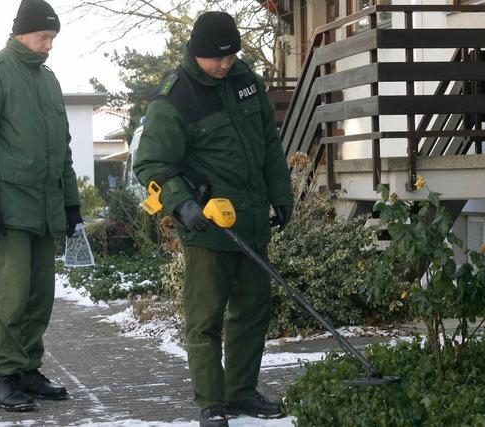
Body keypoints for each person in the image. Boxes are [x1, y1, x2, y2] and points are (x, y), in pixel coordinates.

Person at [133, 11, 294, 427]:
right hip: (207, 226)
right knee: (205, 318)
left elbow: (269, 146)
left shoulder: (246, 82)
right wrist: (180, 204)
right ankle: (211, 401)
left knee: (253, 309)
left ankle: (241, 392)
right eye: (214, 58)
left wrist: (281, 196)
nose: (223, 65)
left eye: (229, 55)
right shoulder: (176, 97)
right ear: (195, 52)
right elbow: (151, 162)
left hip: (252, 221)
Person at [0, 0, 82, 412]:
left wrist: (71, 204)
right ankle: (6, 377)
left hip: (45, 209)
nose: (49, 46)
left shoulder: (48, 80)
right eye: (44, 37)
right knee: (10, 299)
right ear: (20, 32)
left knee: (38, 297)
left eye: (52, 39)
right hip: (9, 210)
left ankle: (29, 370)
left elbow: (61, 147)